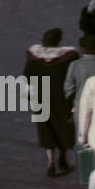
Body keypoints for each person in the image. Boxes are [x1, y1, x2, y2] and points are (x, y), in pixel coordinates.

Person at [24, 27, 78, 177]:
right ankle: (63, 158)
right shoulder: (69, 58)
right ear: (59, 42)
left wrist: (30, 99)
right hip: (62, 99)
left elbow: (26, 80)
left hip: (40, 98)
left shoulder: (33, 59)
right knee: (63, 126)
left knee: (46, 129)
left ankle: (50, 162)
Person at [64, 32, 95, 129]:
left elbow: (68, 89)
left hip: (80, 105)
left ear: (82, 48)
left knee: (80, 134)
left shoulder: (75, 65)